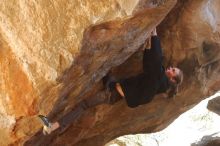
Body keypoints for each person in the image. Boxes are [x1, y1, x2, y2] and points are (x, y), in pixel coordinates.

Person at [38, 28, 183, 135]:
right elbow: (151, 65)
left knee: (83, 105)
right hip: (114, 86)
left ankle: (52, 127)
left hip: (111, 94)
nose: (170, 68)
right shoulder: (157, 81)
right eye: (173, 68)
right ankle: (56, 126)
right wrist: (149, 44)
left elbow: (156, 61)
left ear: (172, 79)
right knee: (104, 67)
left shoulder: (158, 81)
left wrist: (155, 35)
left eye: (173, 70)